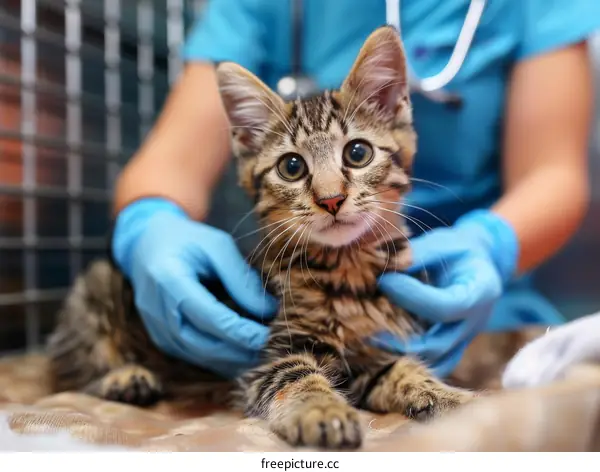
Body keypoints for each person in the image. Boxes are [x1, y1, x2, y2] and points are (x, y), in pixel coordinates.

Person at [109, 0, 600, 380]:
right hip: (307, 289)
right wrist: (150, 226)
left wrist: (492, 246)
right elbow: (170, 165)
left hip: (478, 305)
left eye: (356, 154)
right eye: (297, 165)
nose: (331, 194)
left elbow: (554, 172)